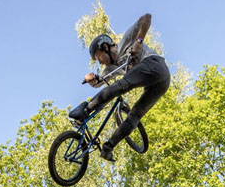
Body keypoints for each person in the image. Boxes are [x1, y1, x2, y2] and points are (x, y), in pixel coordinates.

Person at [67, 13, 171, 162]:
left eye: (98, 58)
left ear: (105, 47)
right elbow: (101, 83)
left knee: (121, 85)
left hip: (155, 65)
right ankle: (108, 148)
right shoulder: (111, 68)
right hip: (159, 84)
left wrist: (139, 41)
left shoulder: (125, 41)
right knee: (134, 115)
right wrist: (92, 79)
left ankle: (84, 111)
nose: (100, 63)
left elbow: (146, 17)